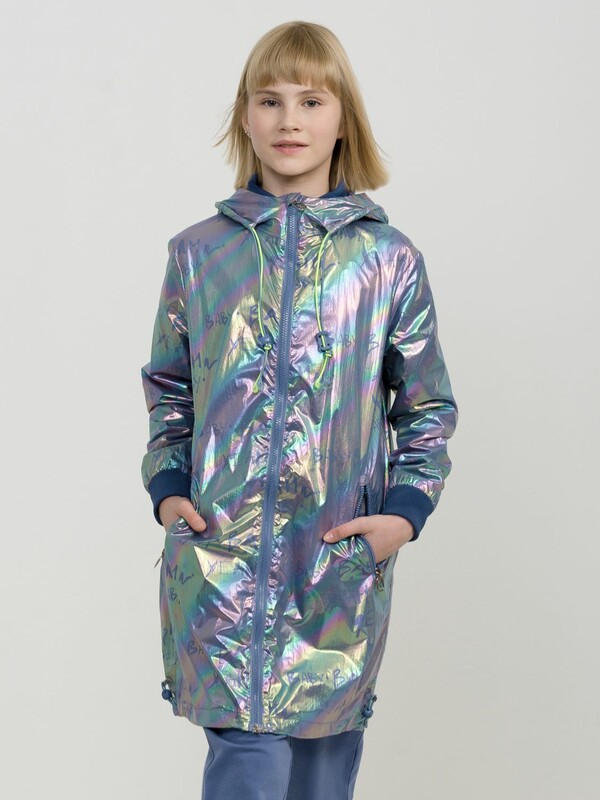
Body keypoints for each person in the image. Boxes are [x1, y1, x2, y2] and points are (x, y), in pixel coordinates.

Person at [141, 20, 458, 800]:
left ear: (343, 119)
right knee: (247, 762)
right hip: (221, 558)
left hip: (334, 563)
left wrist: (403, 515)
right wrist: (170, 490)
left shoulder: (387, 260)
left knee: (320, 775)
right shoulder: (198, 254)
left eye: (312, 101)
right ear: (244, 117)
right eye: (270, 100)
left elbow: (425, 407)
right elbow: (171, 388)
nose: (290, 120)